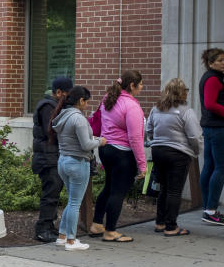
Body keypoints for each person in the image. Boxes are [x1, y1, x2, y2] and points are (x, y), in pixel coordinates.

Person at [91, 70, 146, 243]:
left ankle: (97, 224)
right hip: (122, 154)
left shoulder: (108, 98)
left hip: (105, 149)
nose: (142, 87)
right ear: (132, 85)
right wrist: (142, 165)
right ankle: (110, 231)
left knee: (109, 187)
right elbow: (135, 138)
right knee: (118, 192)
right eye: (141, 84)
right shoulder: (132, 106)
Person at [51, 86, 105, 250]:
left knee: (71, 201)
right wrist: (100, 142)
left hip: (63, 161)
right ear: (81, 100)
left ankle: (62, 236)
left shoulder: (63, 115)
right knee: (75, 203)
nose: (87, 105)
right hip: (78, 162)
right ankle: (71, 241)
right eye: (87, 101)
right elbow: (86, 144)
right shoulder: (78, 118)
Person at [146, 78, 200, 237]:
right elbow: (195, 136)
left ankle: (160, 222)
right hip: (178, 154)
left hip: (158, 151)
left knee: (163, 188)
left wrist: (155, 141)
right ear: (181, 93)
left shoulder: (156, 109)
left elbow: (149, 129)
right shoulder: (186, 111)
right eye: (186, 90)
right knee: (174, 191)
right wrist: (195, 151)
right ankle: (171, 227)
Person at [31, 77, 74, 242]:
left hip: (50, 156)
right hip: (47, 157)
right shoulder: (48, 107)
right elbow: (52, 131)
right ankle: (42, 229)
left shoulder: (53, 106)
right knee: (50, 193)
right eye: (67, 94)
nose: (69, 98)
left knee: (53, 193)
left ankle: (49, 226)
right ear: (58, 92)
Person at [198, 48, 224, 225]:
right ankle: (211, 210)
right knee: (220, 167)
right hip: (219, 129)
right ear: (211, 63)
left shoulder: (210, 77)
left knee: (210, 166)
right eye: (219, 60)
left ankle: (207, 209)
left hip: (211, 128)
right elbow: (210, 104)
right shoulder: (212, 79)